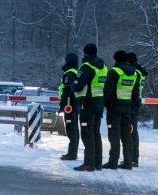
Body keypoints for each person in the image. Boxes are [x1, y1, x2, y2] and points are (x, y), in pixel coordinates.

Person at [72, 43, 108, 171]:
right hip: (99, 103)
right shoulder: (103, 67)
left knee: (87, 133)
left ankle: (88, 163)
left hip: (88, 104)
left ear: (85, 53)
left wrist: (73, 84)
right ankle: (97, 163)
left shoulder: (87, 67)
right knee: (96, 133)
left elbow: (78, 85)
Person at [103, 50, 140, 170]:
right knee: (127, 136)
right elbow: (135, 94)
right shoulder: (135, 73)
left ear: (116, 59)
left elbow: (107, 92)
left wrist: (108, 106)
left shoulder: (114, 72)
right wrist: (130, 105)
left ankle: (113, 162)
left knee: (114, 135)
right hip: (127, 108)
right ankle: (128, 162)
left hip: (115, 108)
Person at [57, 52, 81, 160]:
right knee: (74, 129)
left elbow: (67, 91)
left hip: (69, 105)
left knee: (71, 129)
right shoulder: (76, 72)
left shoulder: (70, 73)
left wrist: (62, 106)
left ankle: (72, 154)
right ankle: (72, 152)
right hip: (75, 104)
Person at [127, 52, 147, 167]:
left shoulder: (135, 72)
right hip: (136, 102)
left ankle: (133, 159)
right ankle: (133, 158)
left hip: (132, 102)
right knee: (132, 131)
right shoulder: (140, 71)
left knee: (131, 131)